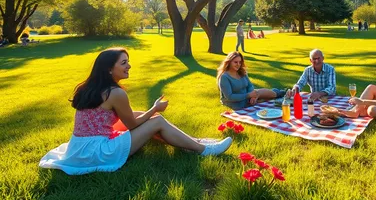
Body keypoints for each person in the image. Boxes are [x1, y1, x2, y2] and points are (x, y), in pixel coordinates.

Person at [39, 48, 232, 175]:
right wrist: (154, 109)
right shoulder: (114, 93)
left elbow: (124, 118)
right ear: (109, 69)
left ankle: (193, 142)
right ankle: (203, 150)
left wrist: (149, 112)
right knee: (156, 120)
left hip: (79, 148)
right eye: (123, 63)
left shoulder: (87, 87)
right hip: (98, 152)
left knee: (146, 116)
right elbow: (132, 124)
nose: (129, 66)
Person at [217, 51, 284, 110]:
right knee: (264, 98)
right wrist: (248, 95)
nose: (238, 64)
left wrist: (253, 96)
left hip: (247, 97)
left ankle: (281, 93)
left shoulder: (242, 72)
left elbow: (249, 85)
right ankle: (280, 94)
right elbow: (230, 97)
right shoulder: (224, 77)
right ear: (229, 62)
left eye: (240, 62)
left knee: (264, 94)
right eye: (235, 62)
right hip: (234, 102)